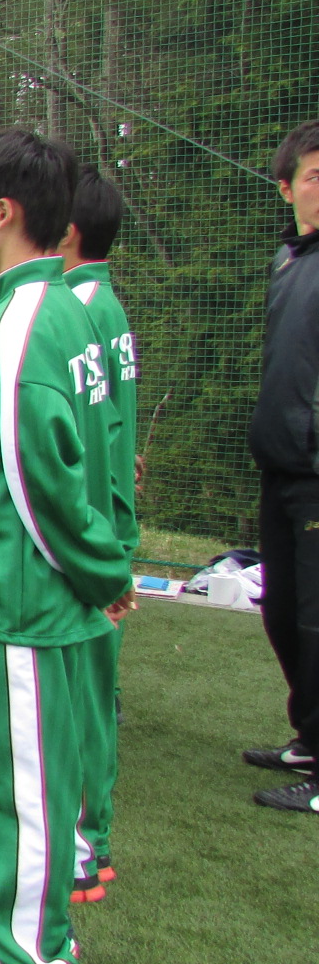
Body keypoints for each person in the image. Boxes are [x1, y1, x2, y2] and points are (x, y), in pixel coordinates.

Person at [0, 129, 132, 964]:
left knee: (25, 792)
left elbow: (37, 479)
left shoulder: (24, 319)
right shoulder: (40, 307)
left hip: (23, 600)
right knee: (4, 782)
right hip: (8, 598)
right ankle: (11, 921)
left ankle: (35, 952)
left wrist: (101, 572)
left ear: (4, 213)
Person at [57, 165, 140, 893]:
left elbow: (85, 444)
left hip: (90, 539)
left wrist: (99, 550)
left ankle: (86, 845)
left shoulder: (79, 312)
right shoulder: (101, 305)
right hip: (102, 530)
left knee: (84, 697)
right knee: (87, 695)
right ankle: (90, 837)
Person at [247, 120, 319, 813]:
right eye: (315, 175)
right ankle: (308, 734)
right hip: (281, 467)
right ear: (286, 186)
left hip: (314, 470)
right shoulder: (289, 261)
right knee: (284, 612)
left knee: (315, 618)